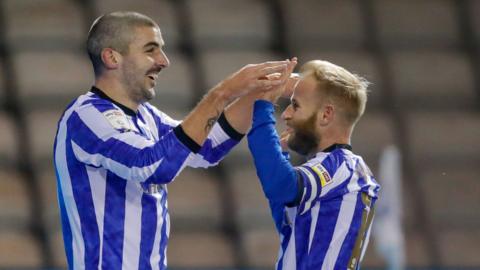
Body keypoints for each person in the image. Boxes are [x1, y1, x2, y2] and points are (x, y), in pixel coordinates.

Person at [53, 11, 291, 269]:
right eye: (150, 50)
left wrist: (258, 94)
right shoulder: (86, 116)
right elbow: (150, 166)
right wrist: (223, 93)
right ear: (112, 57)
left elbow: (206, 147)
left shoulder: (145, 116)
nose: (164, 61)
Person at [247, 60, 381, 269]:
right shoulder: (342, 170)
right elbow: (286, 220)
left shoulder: (341, 167)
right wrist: (279, 153)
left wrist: (263, 107)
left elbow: (281, 187)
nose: (286, 114)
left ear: (326, 115)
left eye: (296, 105)